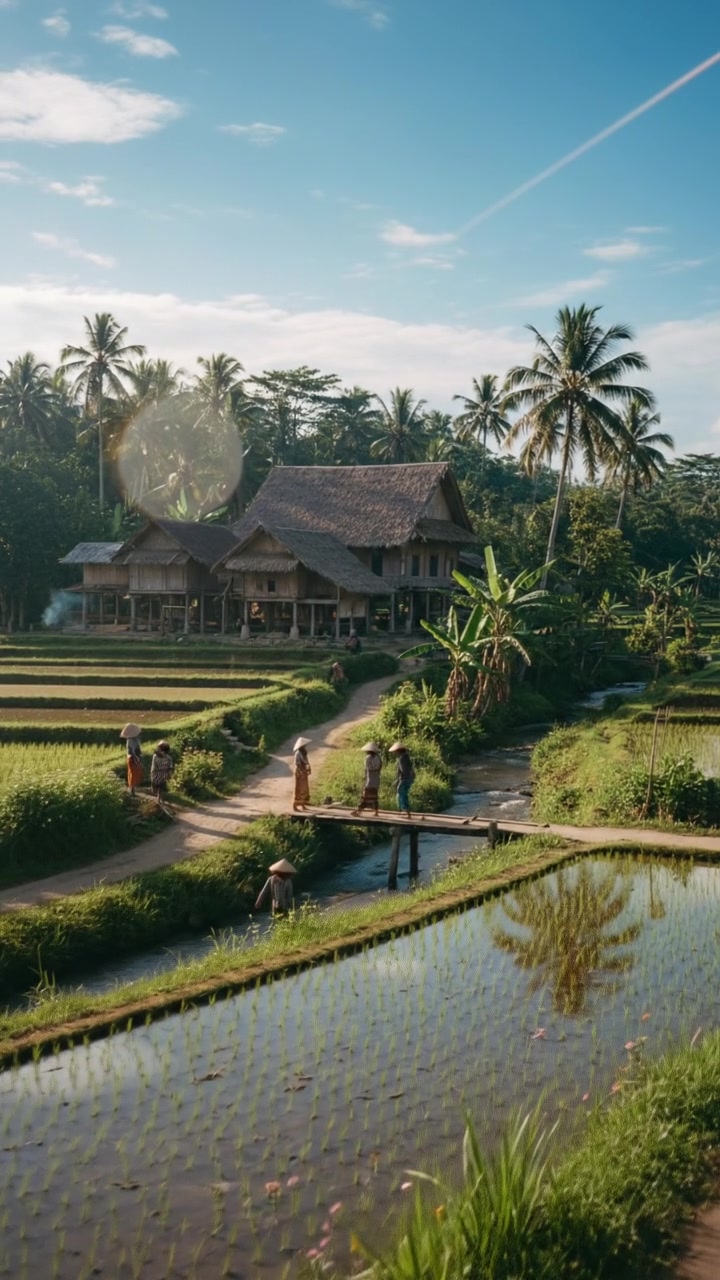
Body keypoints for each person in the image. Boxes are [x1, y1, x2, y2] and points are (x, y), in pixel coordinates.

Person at [351, 742, 383, 817]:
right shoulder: (377, 758)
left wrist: (365, 776)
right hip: (375, 780)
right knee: (373, 797)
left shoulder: (370, 758)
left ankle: (359, 810)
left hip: (371, 780)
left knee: (365, 796)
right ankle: (375, 812)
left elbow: (368, 769)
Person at [389, 742, 415, 818]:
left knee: (401, 794)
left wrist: (400, 779)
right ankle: (404, 811)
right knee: (403, 793)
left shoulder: (402, 759)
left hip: (405, 779)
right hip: (409, 778)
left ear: (398, 751)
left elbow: (403, 770)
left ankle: (405, 811)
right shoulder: (406, 757)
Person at [120, 723, 144, 796]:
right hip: (132, 758)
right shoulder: (131, 741)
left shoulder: (134, 739)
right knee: (133, 773)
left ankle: (132, 787)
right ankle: (132, 788)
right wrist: (137, 757)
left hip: (133, 757)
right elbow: (132, 751)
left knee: (134, 773)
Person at [150, 740, 174, 806]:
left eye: (159, 748)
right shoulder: (155, 757)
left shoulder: (168, 758)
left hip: (163, 774)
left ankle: (159, 798)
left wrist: (169, 774)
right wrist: (152, 773)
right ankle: (157, 795)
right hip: (156, 774)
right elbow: (153, 766)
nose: (157, 749)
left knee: (161, 787)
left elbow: (170, 766)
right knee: (154, 789)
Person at [292, 737, 312, 811]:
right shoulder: (298, 753)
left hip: (303, 772)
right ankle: (295, 805)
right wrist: (302, 770)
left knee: (304, 789)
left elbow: (306, 761)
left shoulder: (303, 752)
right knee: (298, 789)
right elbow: (298, 763)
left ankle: (303, 805)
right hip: (299, 772)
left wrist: (308, 768)